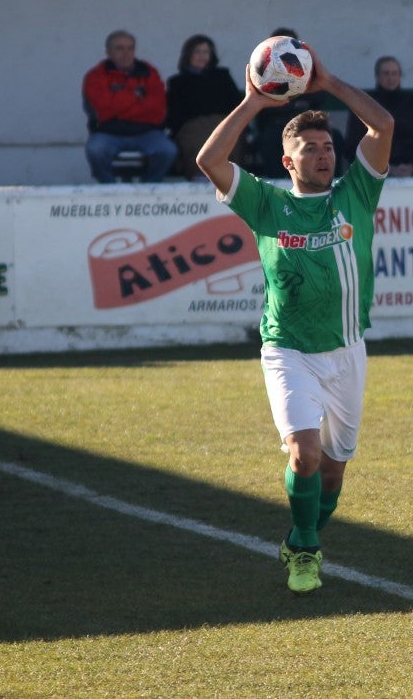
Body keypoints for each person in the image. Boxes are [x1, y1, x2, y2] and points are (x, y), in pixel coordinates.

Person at [195, 43, 393, 595]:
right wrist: (253, 103)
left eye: (328, 147)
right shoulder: (266, 204)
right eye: (310, 149)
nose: (324, 155)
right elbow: (210, 162)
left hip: (347, 350)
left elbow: (382, 126)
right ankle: (305, 549)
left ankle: (299, 534)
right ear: (288, 162)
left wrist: (328, 83)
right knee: (304, 456)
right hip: (288, 350)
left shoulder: (356, 194)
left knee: (332, 472)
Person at [82, 30, 176, 183]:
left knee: (167, 150)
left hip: (147, 133)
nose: (126, 53)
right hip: (108, 132)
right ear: (108, 52)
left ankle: (147, 189)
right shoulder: (95, 76)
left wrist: (118, 104)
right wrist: (138, 98)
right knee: (95, 150)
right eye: (119, 48)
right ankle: (111, 190)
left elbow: (157, 110)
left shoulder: (150, 73)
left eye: (130, 48)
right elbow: (104, 110)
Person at [247, 27, 338, 179]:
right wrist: (290, 104)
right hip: (276, 126)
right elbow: (262, 111)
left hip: (305, 125)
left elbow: (319, 98)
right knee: (268, 139)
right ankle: (275, 182)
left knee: (333, 137)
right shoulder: (262, 74)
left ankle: (328, 181)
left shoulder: (307, 69)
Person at [343, 56, 413, 177]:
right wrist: (386, 169)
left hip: (410, 166)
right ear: (377, 76)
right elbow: (351, 147)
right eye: (386, 73)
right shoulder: (364, 103)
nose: (391, 78)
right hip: (374, 169)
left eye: (394, 73)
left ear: (400, 76)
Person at [166, 34, 242, 181]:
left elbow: (235, 104)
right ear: (188, 55)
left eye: (206, 52)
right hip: (192, 126)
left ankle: (230, 179)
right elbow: (175, 114)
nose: (202, 56)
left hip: (222, 123)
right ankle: (199, 177)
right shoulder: (177, 82)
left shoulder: (222, 76)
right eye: (197, 52)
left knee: (229, 139)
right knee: (198, 142)